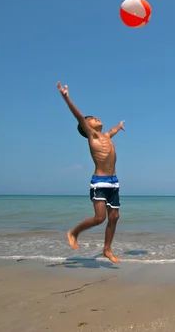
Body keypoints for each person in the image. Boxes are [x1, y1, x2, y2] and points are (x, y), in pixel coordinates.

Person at [57, 81, 125, 263]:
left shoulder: (106, 136)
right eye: (92, 119)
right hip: (100, 181)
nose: (97, 118)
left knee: (115, 216)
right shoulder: (92, 136)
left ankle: (107, 250)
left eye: (96, 117)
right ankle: (74, 232)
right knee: (99, 218)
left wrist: (118, 126)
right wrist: (66, 98)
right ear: (87, 127)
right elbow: (78, 116)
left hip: (114, 181)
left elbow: (111, 130)